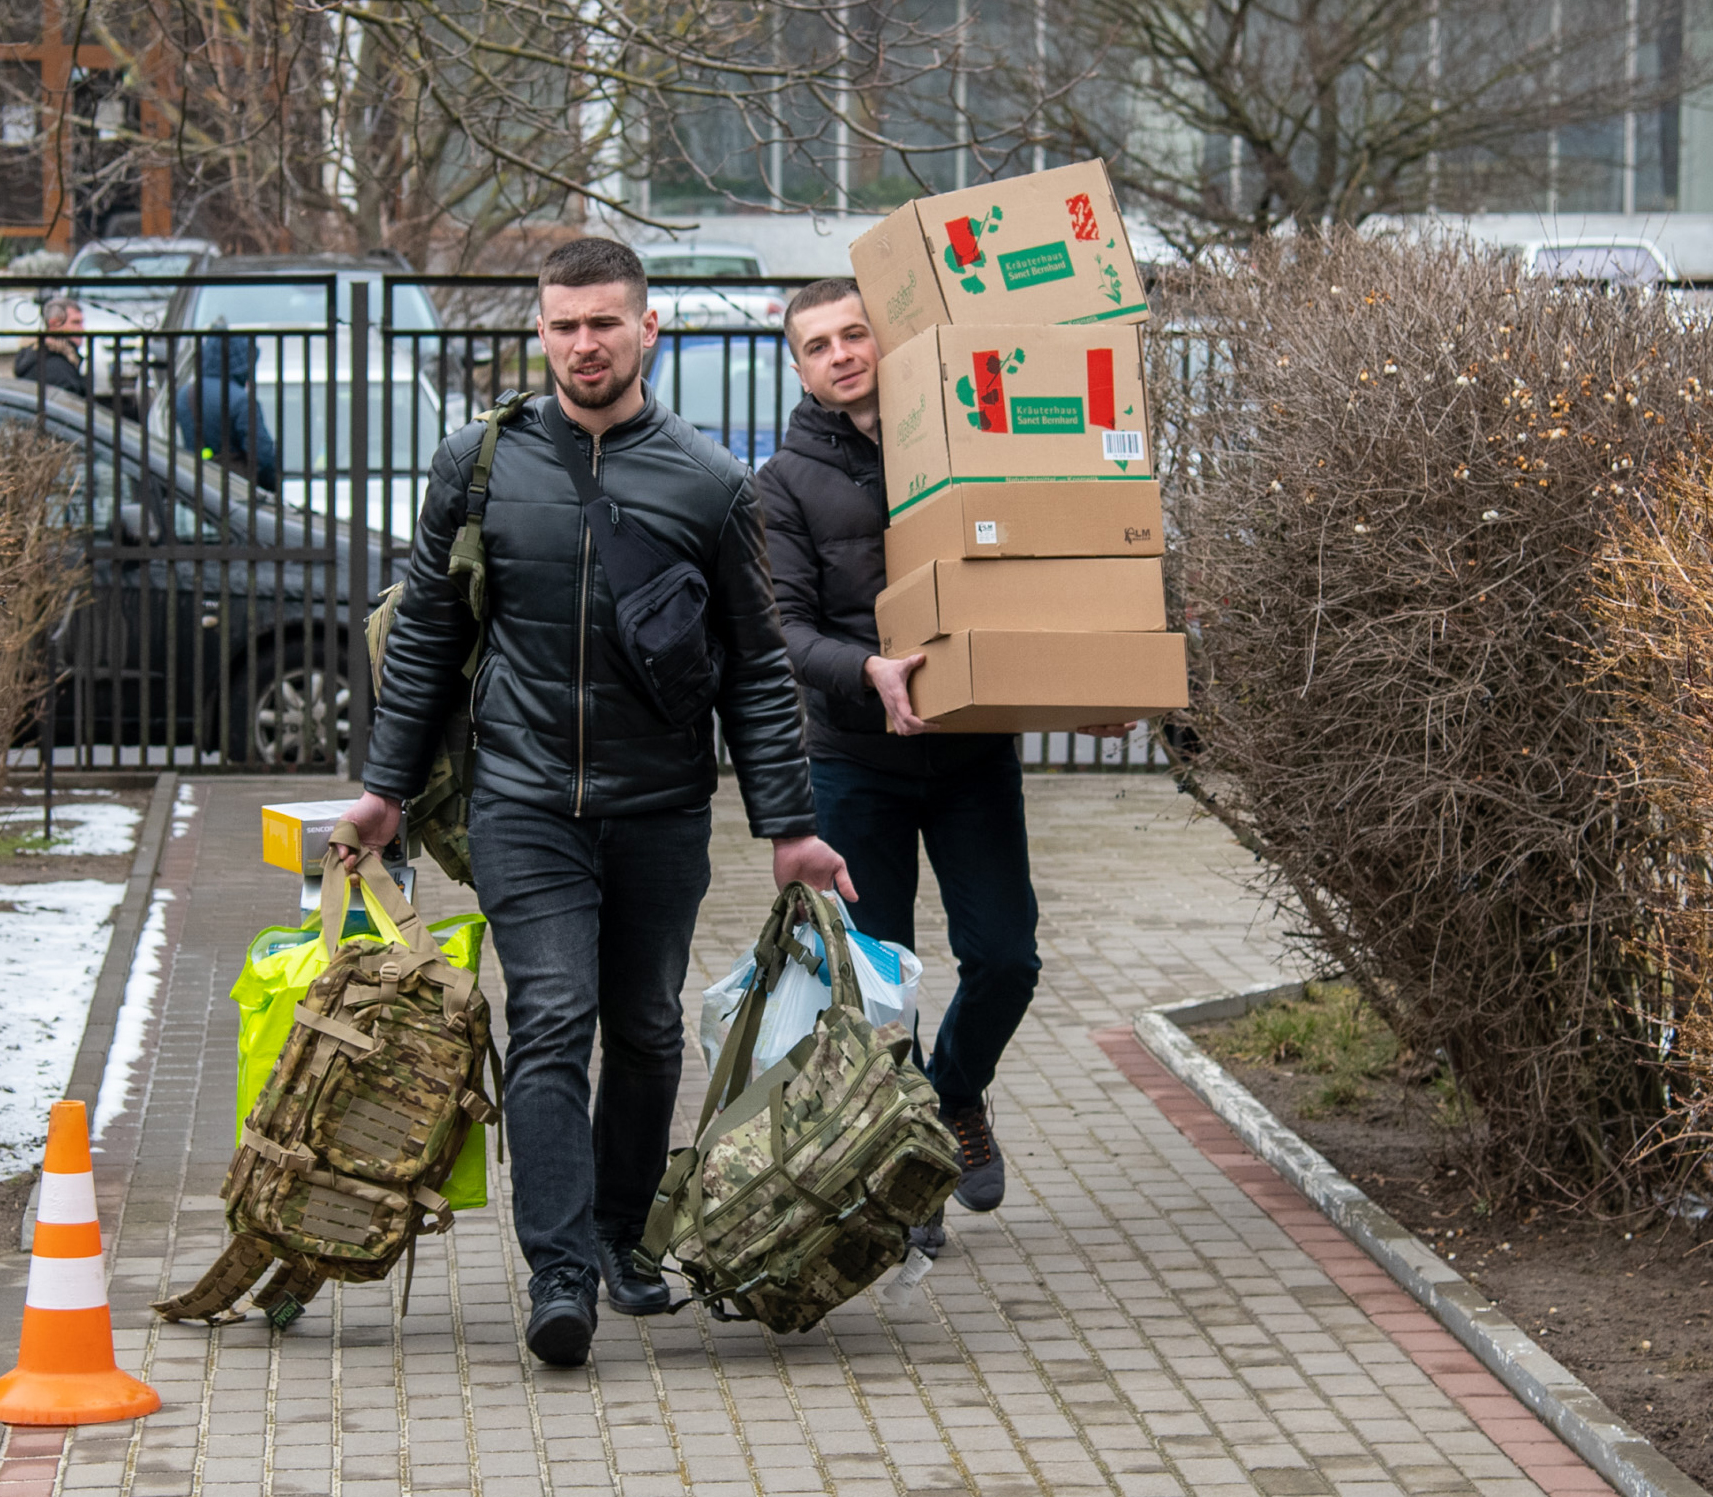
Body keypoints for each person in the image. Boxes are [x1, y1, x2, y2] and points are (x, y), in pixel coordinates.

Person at [340, 238, 854, 1368]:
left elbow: (759, 668)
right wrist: (384, 789)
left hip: (662, 805)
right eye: (565, 324)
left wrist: (792, 827)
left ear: (646, 330)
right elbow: (425, 633)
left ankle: (624, 1236)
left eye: (604, 323)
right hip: (524, 801)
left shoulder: (713, 485)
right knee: (554, 1018)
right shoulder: (480, 465)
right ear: (542, 331)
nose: (584, 344)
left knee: (647, 1027)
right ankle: (559, 1271)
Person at [757, 277, 1133, 1253]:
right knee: (882, 987)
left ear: (885, 341)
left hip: (971, 755)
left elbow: (1036, 579)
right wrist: (868, 671)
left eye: (854, 334)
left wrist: (1076, 690)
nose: (841, 354)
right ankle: (904, 1166)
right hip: (853, 761)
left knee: (1007, 955)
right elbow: (782, 631)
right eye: (816, 345)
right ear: (797, 366)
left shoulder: (971, 449)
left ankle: (954, 1097)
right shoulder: (784, 483)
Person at [175, 324, 279, 491]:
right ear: (241, 363)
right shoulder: (240, 401)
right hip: (235, 491)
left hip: (195, 487)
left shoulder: (184, 394)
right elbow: (262, 455)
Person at [12, 294, 89, 397]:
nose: (82, 329)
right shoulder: (56, 367)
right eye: (75, 322)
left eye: (82, 323)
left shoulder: (40, 356)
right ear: (54, 324)